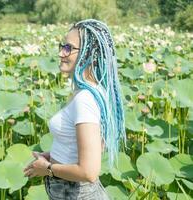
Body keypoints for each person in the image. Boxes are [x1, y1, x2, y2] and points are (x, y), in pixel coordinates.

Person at [23, 19, 127, 200]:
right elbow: (88, 147)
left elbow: (89, 172)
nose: (61, 53)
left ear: (90, 55)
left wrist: (47, 169)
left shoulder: (85, 99)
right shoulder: (94, 91)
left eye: (68, 48)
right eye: (62, 46)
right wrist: (52, 156)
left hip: (75, 194)